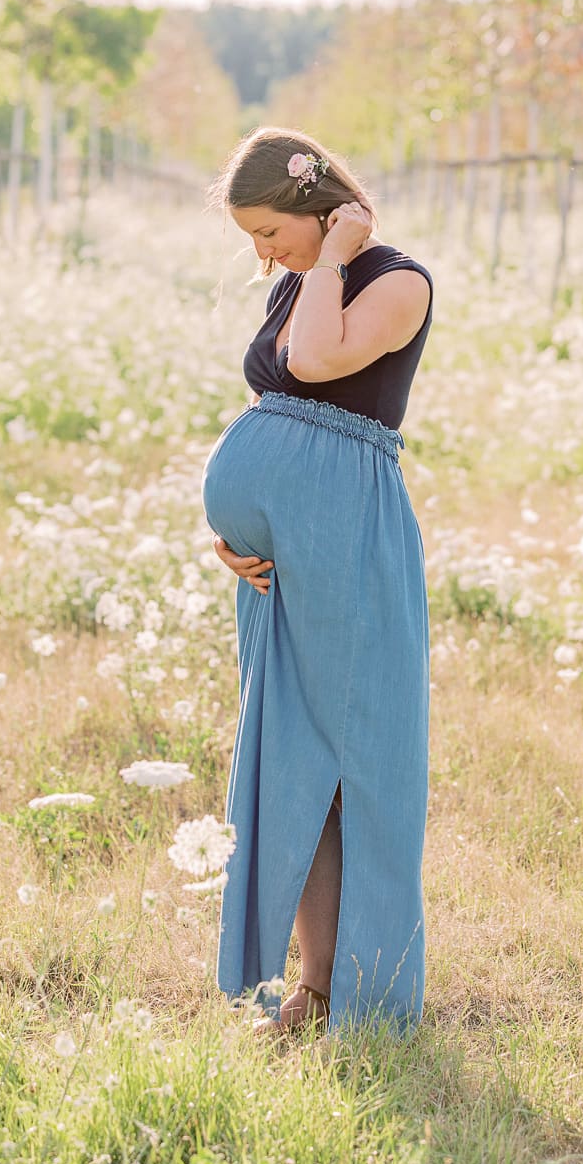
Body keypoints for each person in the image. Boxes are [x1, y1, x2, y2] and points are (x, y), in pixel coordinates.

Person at [201, 126, 434, 1040]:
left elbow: (315, 364)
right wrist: (237, 530)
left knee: (356, 770)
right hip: (277, 568)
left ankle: (363, 993)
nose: (263, 254)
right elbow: (273, 407)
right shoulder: (302, 283)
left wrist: (337, 252)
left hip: (350, 544)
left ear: (316, 204)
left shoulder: (395, 281)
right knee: (287, 759)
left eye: (269, 232)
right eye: (254, 239)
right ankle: (311, 983)